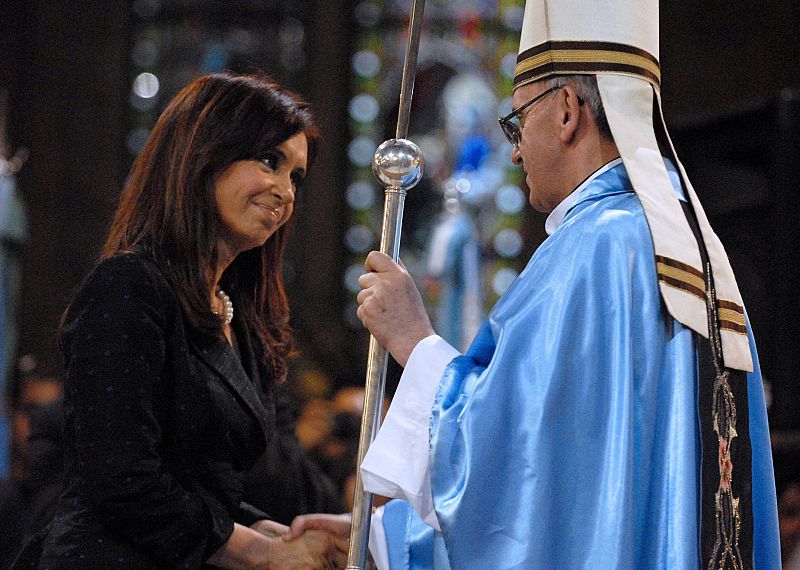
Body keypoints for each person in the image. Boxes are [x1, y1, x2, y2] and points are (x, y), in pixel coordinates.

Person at [293, 1, 782, 568]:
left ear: (569, 111)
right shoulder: (681, 243)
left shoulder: (594, 248)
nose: (516, 149)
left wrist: (413, 339)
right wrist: (380, 534)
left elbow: (505, 463)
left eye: (517, 122)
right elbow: (576, 492)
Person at [13, 73, 347, 569]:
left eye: (295, 176)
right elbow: (120, 482)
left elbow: (204, 480)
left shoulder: (238, 314)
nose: (284, 191)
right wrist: (260, 554)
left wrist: (264, 529)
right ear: (202, 156)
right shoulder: (128, 286)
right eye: (269, 161)